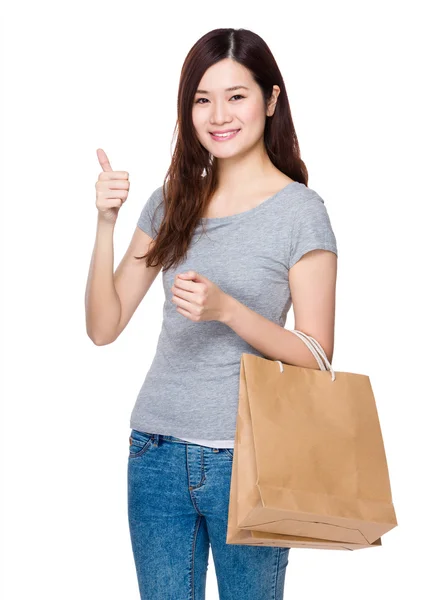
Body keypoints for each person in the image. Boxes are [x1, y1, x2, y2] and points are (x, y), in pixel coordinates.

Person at [85, 27, 338, 600]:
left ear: (271, 101)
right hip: (153, 453)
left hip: (249, 460)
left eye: (236, 96)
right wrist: (105, 224)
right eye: (203, 99)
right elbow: (103, 326)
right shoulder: (173, 198)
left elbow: (319, 357)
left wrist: (229, 310)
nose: (218, 114)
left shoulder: (301, 213)